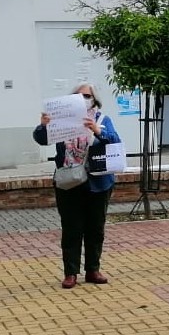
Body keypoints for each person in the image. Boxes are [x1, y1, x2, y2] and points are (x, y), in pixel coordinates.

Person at [36, 83, 119, 289]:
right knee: (71, 229)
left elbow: (115, 140)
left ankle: (93, 269)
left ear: (94, 100)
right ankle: (70, 272)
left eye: (87, 96)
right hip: (68, 181)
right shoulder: (60, 121)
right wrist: (43, 125)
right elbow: (41, 139)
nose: (83, 99)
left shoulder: (102, 119)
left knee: (95, 229)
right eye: (78, 96)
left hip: (97, 183)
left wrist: (97, 130)